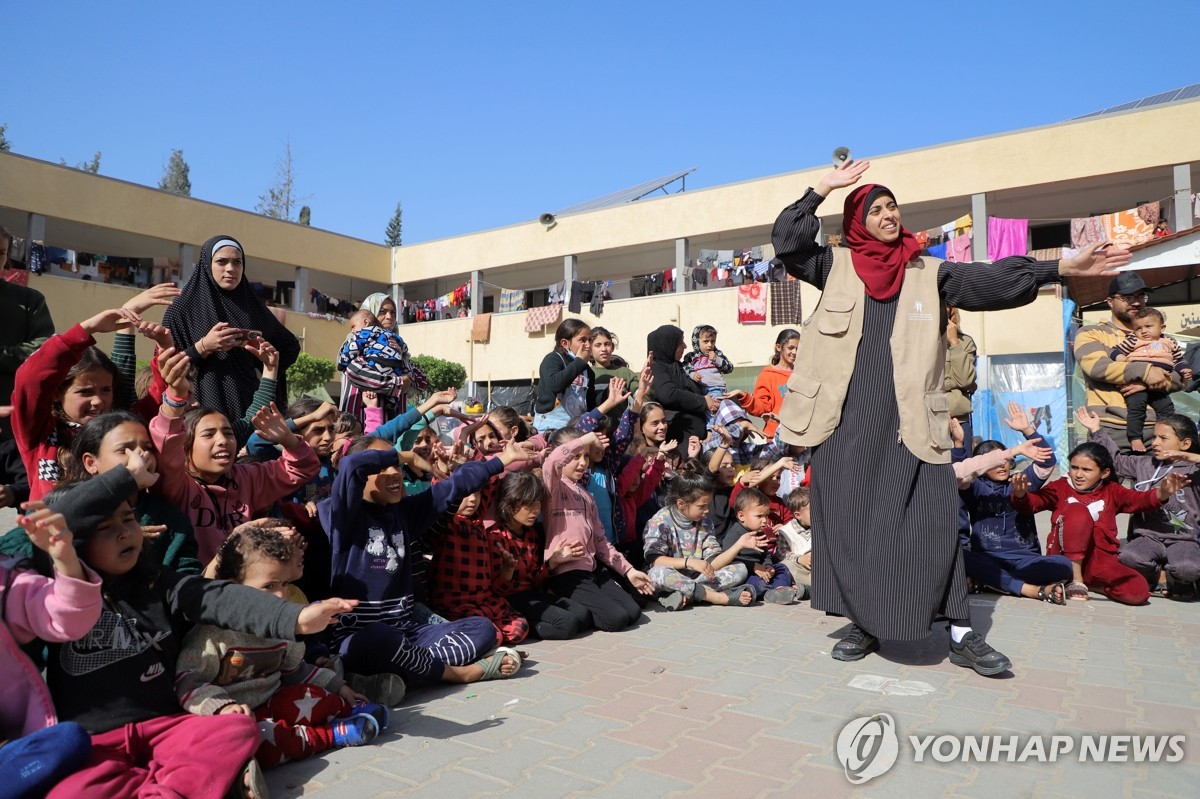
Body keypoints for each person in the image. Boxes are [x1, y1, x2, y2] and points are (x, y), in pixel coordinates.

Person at [772, 158, 1130, 674]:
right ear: (855, 221)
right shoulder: (832, 267)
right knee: (850, 528)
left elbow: (991, 280)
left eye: (893, 206)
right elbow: (787, 240)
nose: (889, 215)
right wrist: (822, 188)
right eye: (876, 209)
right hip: (844, 427)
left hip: (912, 428)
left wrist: (1059, 269)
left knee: (933, 528)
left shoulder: (931, 272)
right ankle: (864, 622)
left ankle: (961, 634)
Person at [39, 459, 353, 799]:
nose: (125, 532)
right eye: (104, 526)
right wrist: (124, 478)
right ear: (67, 541)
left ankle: (166, 784)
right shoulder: (46, 593)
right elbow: (51, 522)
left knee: (236, 730)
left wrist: (295, 618)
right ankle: (188, 784)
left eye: (128, 518)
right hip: (95, 738)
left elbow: (220, 598)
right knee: (70, 790)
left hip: (168, 726)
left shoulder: (160, 583)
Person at [317, 435, 537, 686]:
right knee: (378, 640)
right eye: (381, 467)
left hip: (408, 634)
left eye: (397, 467)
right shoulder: (342, 515)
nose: (395, 472)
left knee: (483, 629)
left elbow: (455, 486)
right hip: (358, 637)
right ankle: (463, 673)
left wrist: (503, 460)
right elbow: (350, 466)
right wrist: (404, 456)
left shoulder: (404, 513)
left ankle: (378, 679)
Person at [175, 523, 386, 767]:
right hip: (236, 717)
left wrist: (338, 688)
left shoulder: (280, 627)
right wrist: (223, 707)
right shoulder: (211, 634)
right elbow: (188, 683)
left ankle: (348, 710)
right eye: (269, 586)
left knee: (311, 696)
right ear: (232, 588)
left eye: (284, 584)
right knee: (265, 739)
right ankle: (330, 735)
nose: (281, 596)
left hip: (275, 700)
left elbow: (296, 671)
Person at [149, 349, 321, 565]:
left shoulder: (246, 478)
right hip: (194, 590)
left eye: (228, 433)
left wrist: (289, 440)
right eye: (208, 434)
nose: (223, 441)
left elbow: (301, 469)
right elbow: (166, 444)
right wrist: (175, 396)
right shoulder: (176, 485)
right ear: (185, 446)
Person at [0, 503, 98, 799]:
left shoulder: (9, 578)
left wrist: (66, 559)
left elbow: (65, 617)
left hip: (11, 755)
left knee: (69, 741)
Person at [1011, 442, 1187, 605]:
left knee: (1138, 591)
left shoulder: (1112, 491)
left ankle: (1091, 584)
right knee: (1077, 510)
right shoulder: (1060, 487)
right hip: (1063, 559)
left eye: (1087, 470)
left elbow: (1140, 499)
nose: (1078, 474)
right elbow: (1032, 504)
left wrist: (1163, 493)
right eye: (1074, 468)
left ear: (1104, 473)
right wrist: (1020, 495)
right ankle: (1075, 580)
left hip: (1100, 561)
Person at [162, 234, 301, 420]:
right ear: (207, 264)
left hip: (250, 407)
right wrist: (203, 347)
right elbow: (165, 368)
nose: (230, 269)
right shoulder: (181, 310)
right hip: (200, 409)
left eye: (237, 262)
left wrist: (264, 360)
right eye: (222, 261)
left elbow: (289, 346)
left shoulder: (252, 307)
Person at [1079, 407, 1200, 601]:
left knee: (1188, 568)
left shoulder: (1195, 469)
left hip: (1183, 539)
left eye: (1163, 438)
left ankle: (1179, 579)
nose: (1155, 443)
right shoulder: (1145, 464)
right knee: (1129, 557)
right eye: (1154, 437)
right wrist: (1096, 431)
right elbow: (1116, 462)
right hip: (1148, 536)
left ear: (1185, 443)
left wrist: (1193, 458)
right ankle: (1159, 577)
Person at [957, 403, 1071, 604]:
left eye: (1007, 460)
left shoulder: (1022, 480)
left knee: (1063, 565)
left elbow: (1047, 463)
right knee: (961, 558)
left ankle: (993, 582)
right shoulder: (975, 486)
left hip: (1026, 560)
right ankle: (1031, 590)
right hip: (989, 558)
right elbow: (959, 475)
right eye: (996, 461)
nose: (1003, 465)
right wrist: (959, 446)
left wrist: (1028, 430)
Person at [541, 429, 654, 630]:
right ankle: (562, 600)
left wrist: (629, 571)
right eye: (575, 456)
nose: (583, 463)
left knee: (634, 611)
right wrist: (583, 440)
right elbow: (551, 463)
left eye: (585, 456)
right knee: (616, 619)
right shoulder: (553, 488)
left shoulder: (586, 496)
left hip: (592, 568)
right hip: (567, 572)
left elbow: (601, 542)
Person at [1073, 272, 1180, 452]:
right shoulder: (1091, 333)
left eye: (1140, 296)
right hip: (1110, 428)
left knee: (1159, 480)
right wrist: (1146, 371)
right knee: (1110, 480)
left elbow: (1182, 376)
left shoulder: (1159, 338)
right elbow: (1099, 367)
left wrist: (1149, 384)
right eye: (1128, 297)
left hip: (1157, 430)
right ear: (1109, 301)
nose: (1136, 302)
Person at [642, 463, 757, 609]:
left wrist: (738, 545)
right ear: (681, 503)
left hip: (697, 577)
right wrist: (689, 562)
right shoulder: (660, 521)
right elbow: (655, 561)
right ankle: (715, 597)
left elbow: (713, 562)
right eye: (701, 506)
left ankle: (686, 595)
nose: (707, 511)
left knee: (740, 569)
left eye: (708, 505)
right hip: (669, 576)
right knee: (658, 573)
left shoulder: (705, 522)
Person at [1109, 307, 1192, 452]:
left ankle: (1165, 438)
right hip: (1136, 381)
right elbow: (1115, 351)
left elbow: (1179, 360)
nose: (1143, 331)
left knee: (1167, 409)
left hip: (1159, 385)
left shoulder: (1169, 342)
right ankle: (1135, 438)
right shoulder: (1134, 341)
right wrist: (1121, 358)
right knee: (1137, 408)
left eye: (1148, 326)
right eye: (1138, 328)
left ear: (1162, 327)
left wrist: (1184, 369)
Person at [0, 225, 55, 438]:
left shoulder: (30, 300)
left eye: (1, 252)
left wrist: (4, 356)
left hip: (13, 427)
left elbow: (44, 348)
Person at [720, 488, 800, 604]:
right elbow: (728, 557)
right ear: (741, 516)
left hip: (762, 571)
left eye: (766, 516)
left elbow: (765, 554)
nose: (764, 521)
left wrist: (768, 566)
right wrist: (753, 567)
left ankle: (780, 589)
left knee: (782, 568)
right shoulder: (735, 533)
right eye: (759, 516)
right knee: (754, 583)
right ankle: (768, 593)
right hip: (747, 572)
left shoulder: (760, 532)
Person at [647, 325, 716, 451]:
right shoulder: (656, 367)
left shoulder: (680, 366)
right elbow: (668, 394)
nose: (684, 346)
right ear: (668, 345)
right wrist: (703, 401)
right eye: (680, 343)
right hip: (679, 436)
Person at [338, 309, 415, 416]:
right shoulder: (350, 342)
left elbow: (412, 384)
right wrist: (398, 384)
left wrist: (401, 355)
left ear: (366, 322)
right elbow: (354, 371)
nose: (389, 317)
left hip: (391, 423)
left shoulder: (362, 336)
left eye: (393, 313)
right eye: (382, 312)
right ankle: (391, 401)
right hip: (360, 417)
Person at [727, 328, 800, 438]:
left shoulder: (804, 375)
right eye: (791, 348)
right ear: (779, 347)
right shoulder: (768, 375)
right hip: (777, 438)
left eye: (798, 349)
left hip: (801, 437)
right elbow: (762, 407)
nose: (794, 352)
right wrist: (744, 396)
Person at [533, 319, 595, 433]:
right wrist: (579, 361)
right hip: (550, 427)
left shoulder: (588, 371)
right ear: (565, 343)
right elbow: (555, 384)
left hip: (576, 428)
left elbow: (590, 404)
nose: (588, 345)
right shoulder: (553, 359)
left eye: (590, 340)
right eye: (582, 340)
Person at [589, 327, 639, 430]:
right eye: (598, 345)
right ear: (590, 349)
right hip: (596, 430)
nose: (604, 349)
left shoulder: (624, 372)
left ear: (612, 347)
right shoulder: (586, 373)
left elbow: (641, 395)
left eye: (607, 344)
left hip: (621, 430)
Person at [681, 325, 735, 401]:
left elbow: (730, 368)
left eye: (712, 341)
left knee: (714, 406)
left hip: (716, 389)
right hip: (699, 391)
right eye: (706, 341)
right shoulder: (691, 357)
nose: (710, 345)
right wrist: (692, 374)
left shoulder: (717, 354)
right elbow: (685, 367)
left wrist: (717, 360)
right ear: (696, 341)